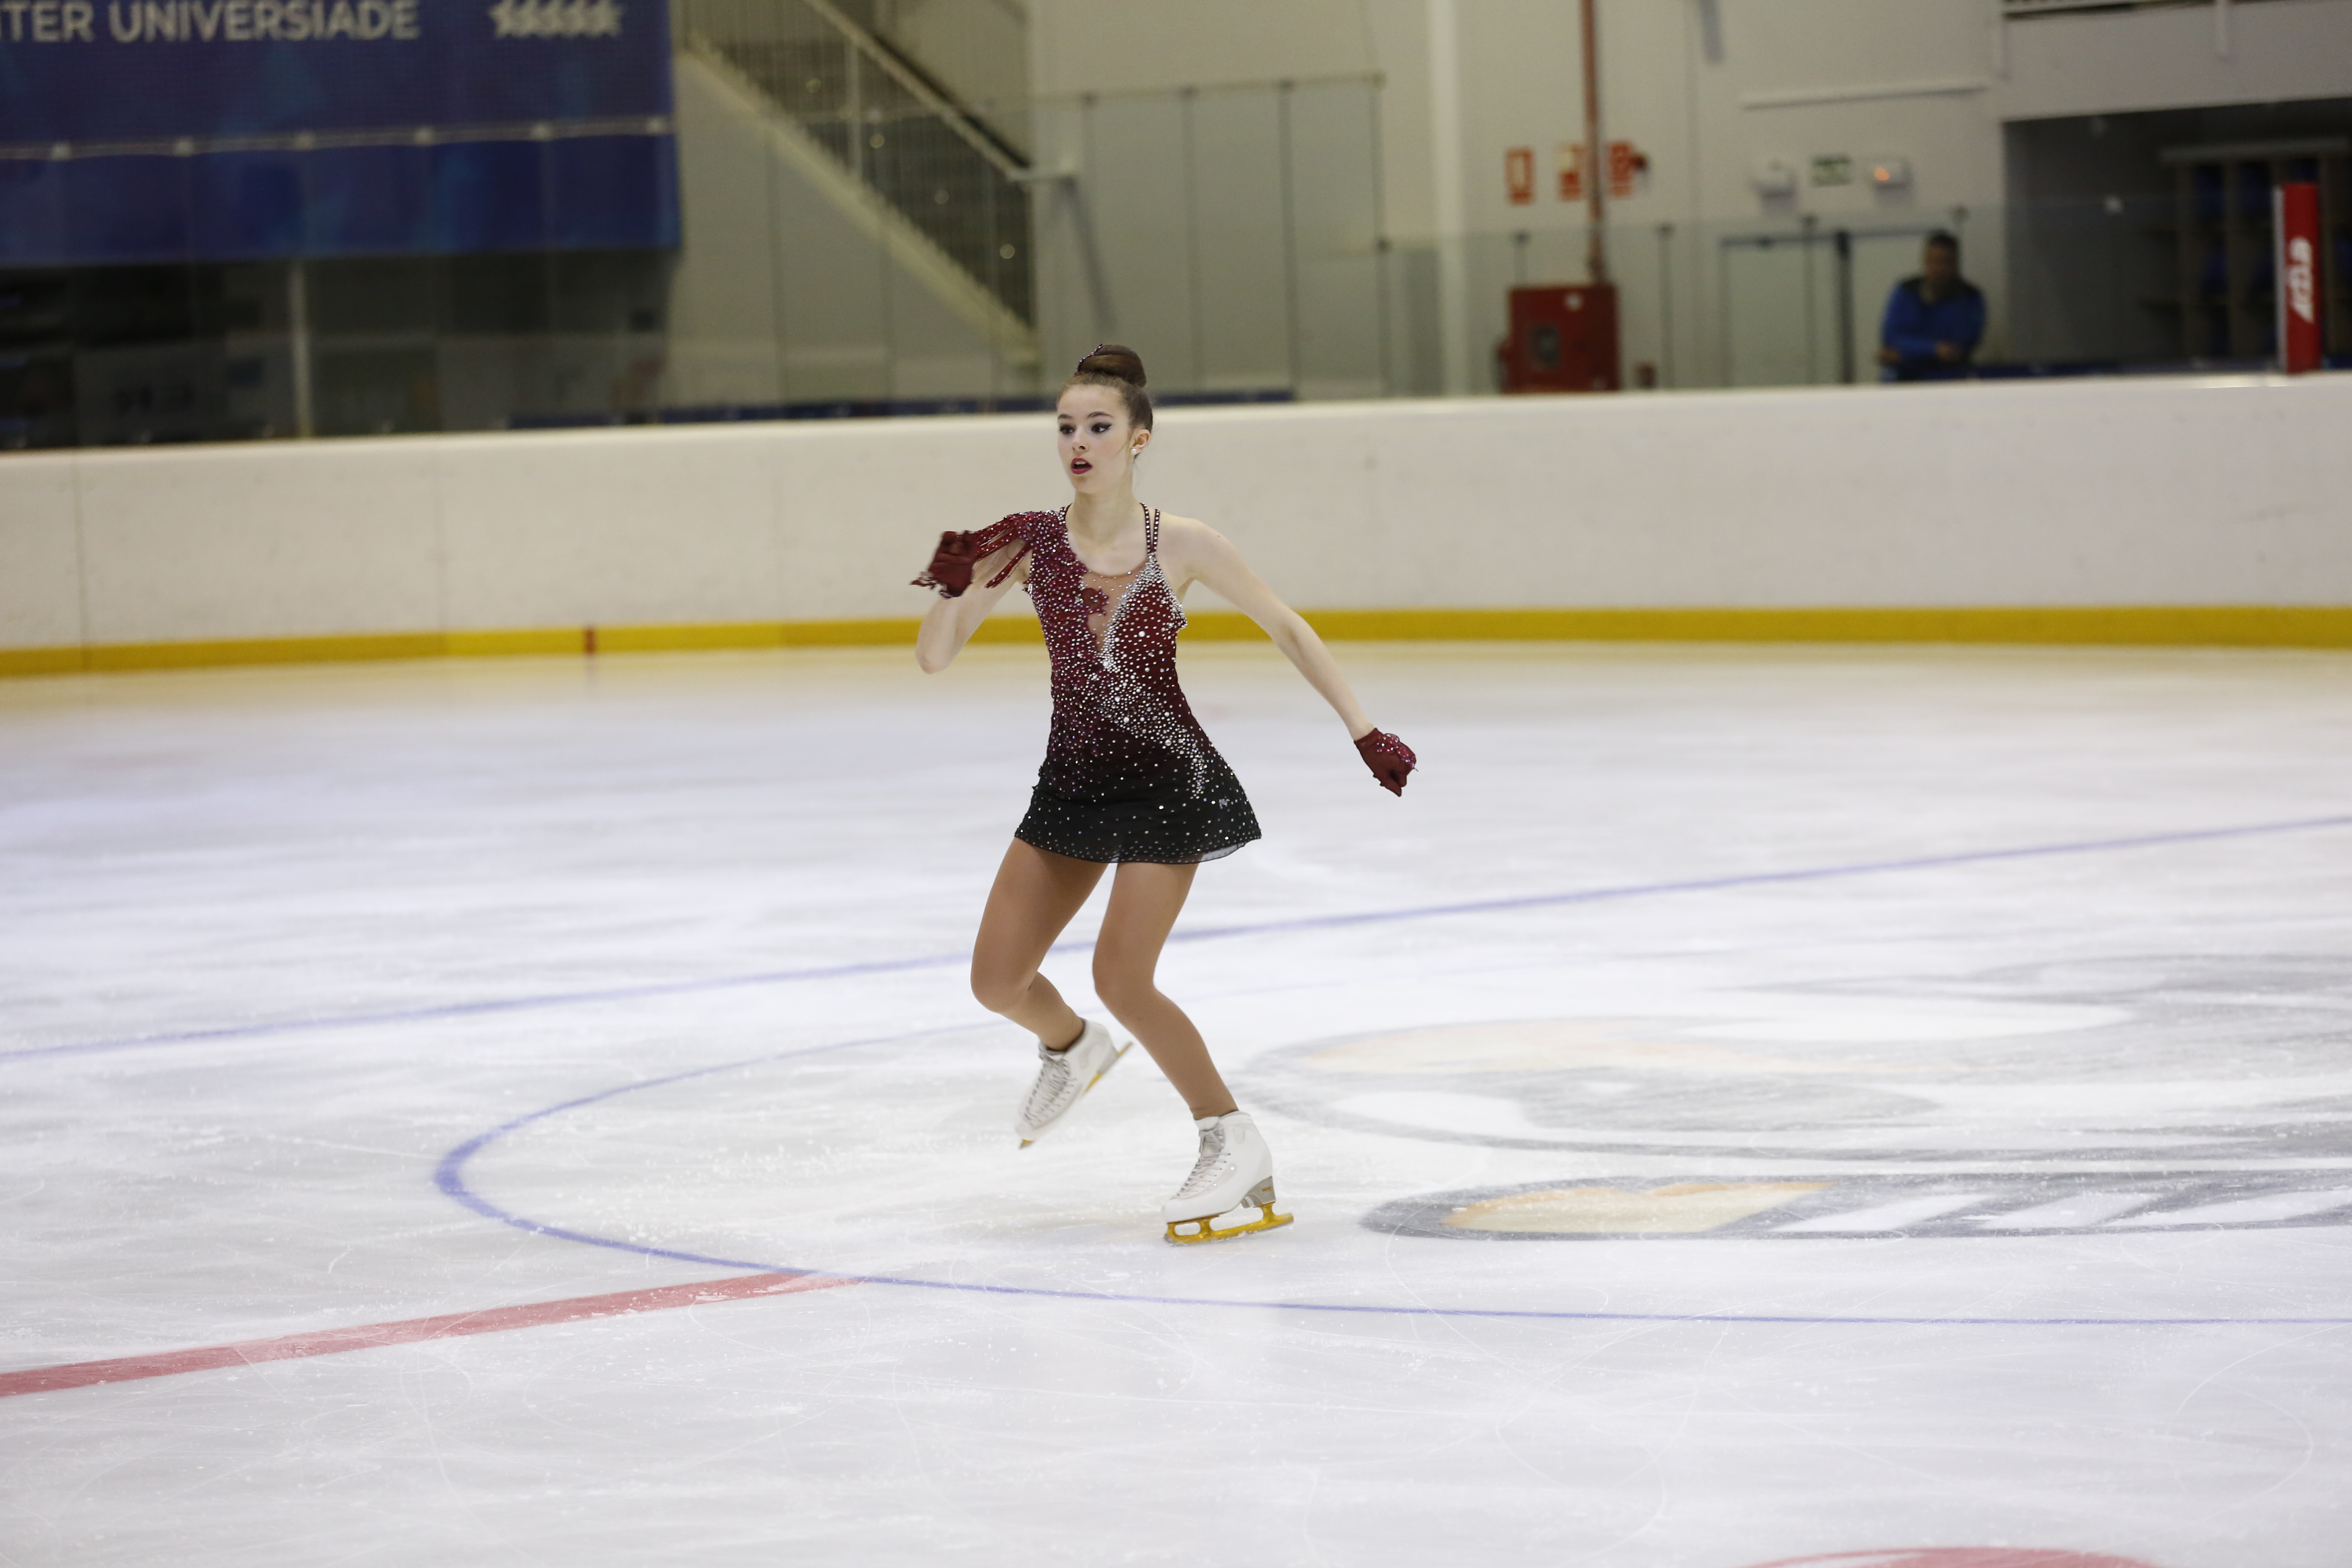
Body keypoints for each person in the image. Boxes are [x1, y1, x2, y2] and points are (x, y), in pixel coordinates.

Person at [911, 344, 1417, 1244]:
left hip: (1167, 785)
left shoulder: (1179, 543)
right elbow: (934, 656)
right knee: (996, 980)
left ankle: (1231, 1138)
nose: (1079, 442)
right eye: (1066, 427)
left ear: (1137, 440)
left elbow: (1287, 628)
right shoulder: (1025, 539)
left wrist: (1362, 729)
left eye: (1098, 427)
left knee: (1122, 975)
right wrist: (951, 590)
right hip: (1072, 781)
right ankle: (1069, 1047)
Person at [1877, 230, 1984, 382]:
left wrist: (1907, 353)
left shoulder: (1969, 297)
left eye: (1945, 262)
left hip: (1949, 374)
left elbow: (1957, 347)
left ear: (1955, 264)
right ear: (1925, 261)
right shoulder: (1906, 291)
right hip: (1905, 374)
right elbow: (1892, 337)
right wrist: (1932, 350)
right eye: (1934, 261)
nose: (1938, 268)